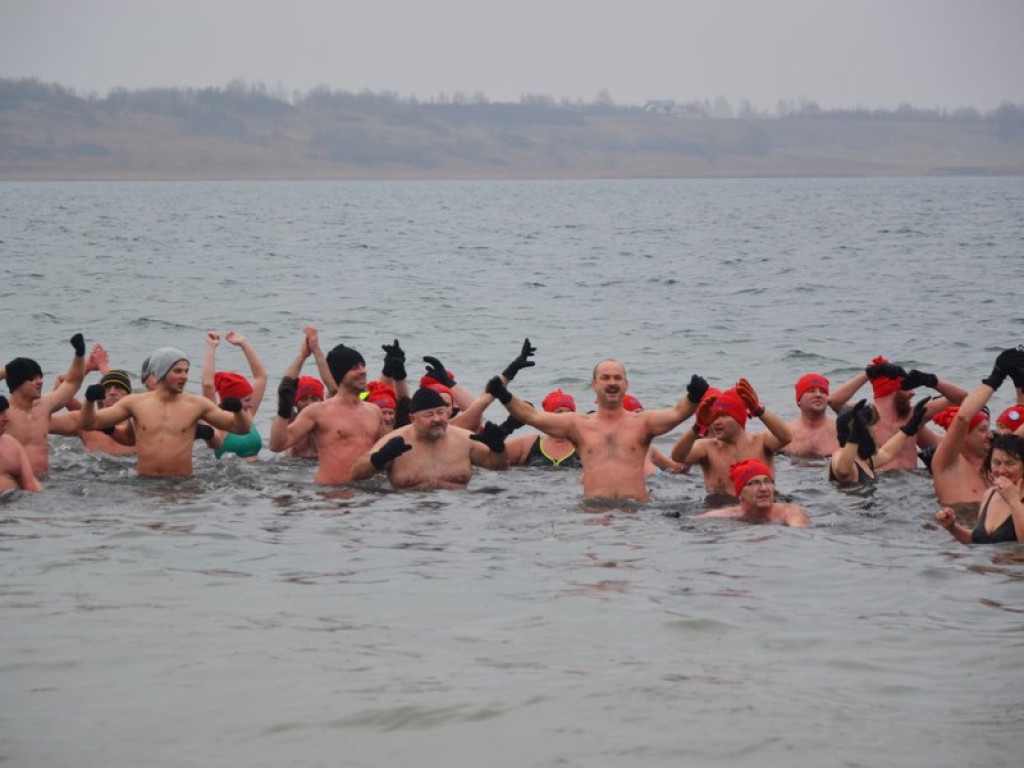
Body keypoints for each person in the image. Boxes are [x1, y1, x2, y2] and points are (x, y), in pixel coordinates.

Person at [488, 354, 707, 502]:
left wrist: (693, 398)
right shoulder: (578, 425)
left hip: (637, 513)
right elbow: (531, 416)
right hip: (592, 512)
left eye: (617, 378)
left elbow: (678, 413)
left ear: (626, 384)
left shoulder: (643, 423)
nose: (612, 382)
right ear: (594, 385)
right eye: (605, 378)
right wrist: (504, 395)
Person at [79, 347, 250, 477]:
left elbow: (241, 429)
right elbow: (90, 423)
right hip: (145, 484)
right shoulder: (136, 403)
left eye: (186, 371)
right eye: (178, 371)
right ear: (161, 373)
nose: (184, 376)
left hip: (183, 484)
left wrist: (238, 411)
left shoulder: (197, 404)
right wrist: (89, 401)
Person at [268, 343, 386, 484]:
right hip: (331, 496)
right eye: (355, 368)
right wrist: (283, 411)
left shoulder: (374, 411)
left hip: (368, 496)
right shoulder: (318, 411)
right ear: (340, 374)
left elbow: (388, 454)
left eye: (363, 365)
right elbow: (276, 445)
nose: (363, 371)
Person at [352, 386, 509, 489]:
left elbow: (499, 466)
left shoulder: (466, 439)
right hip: (408, 512)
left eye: (441, 412)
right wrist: (380, 458)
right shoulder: (396, 441)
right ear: (412, 419)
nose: (437, 419)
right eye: (429, 415)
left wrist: (498, 448)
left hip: (457, 517)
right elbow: (357, 474)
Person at [828, 357, 963, 470]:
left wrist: (933, 381)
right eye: (908, 388)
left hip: (912, 481)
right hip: (881, 483)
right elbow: (834, 401)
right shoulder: (865, 415)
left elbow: (963, 400)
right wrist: (868, 374)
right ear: (894, 391)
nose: (913, 393)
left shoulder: (914, 414)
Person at [931, 347, 1024, 510]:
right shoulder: (946, 465)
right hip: (962, 528)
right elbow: (963, 417)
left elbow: (1019, 432)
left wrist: (1020, 383)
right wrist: (996, 376)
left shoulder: (996, 464)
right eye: (982, 430)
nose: (990, 435)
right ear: (963, 436)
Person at [670, 379, 792, 498]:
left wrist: (759, 410)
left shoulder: (761, 441)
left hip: (761, 511)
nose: (716, 422)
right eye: (713, 417)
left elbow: (786, 437)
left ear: (739, 418)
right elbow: (678, 457)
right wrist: (698, 426)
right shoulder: (706, 448)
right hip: (721, 513)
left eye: (723, 416)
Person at [3, 334, 87, 474]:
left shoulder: (44, 406)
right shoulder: (4, 413)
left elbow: (72, 383)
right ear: (17, 383)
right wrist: (8, 370)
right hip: (15, 486)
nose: (40, 381)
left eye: (40, 377)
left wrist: (79, 354)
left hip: (44, 484)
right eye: (32, 378)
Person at [935, 434, 1024, 544]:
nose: (1001, 470)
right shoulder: (990, 494)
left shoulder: (1017, 499)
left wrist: (1013, 501)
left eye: (1010, 463)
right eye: (996, 463)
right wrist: (952, 527)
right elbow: (978, 540)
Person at [827, 398, 931, 487]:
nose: (876, 428)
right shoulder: (839, 456)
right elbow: (842, 470)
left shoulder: (863, 460)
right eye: (871, 424)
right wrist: (855, 435)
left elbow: (886, 452)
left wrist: (911, 425)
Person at [201, 331, 268, 460]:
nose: (252, 404)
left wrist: (244, 344)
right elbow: (207, 385)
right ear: (233, 402)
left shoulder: (247, 413)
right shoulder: (217, 421)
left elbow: (261, 377)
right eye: (247, 400)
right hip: (231, 478)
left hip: (258, 475)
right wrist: (211, 347)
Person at [697, 459, 810, 527]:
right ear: (740, 494)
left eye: (768, 482)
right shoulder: (725, 516)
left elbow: (800, 533)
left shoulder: (789, 512)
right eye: (754, 483)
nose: (764, 488)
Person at [49, 369, 137, 456]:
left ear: (129, 395)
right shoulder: (84, 423)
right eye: (107, 388)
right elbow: (43, 422)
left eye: (119, 387)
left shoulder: (139, 425)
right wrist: (60, 390)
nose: (112, 392)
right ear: (101, 394)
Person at [504, 389, 582, 468]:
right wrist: (507, 428)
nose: (565, 416)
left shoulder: (585, 444)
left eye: (569, 413)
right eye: (559, 412)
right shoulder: (529, 444)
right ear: (547, 416)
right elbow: (492, 455)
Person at [783, 373, 838, 458]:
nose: (818, 395)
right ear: (799, 401)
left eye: (823, 392)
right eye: (811, 391)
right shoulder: (785, 433)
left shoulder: (840, 431)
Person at [0, 396, 43, 492]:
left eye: (5, 413)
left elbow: (30, 482)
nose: (6, 419)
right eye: (1, 414)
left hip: (16, 502)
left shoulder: (13, 445)